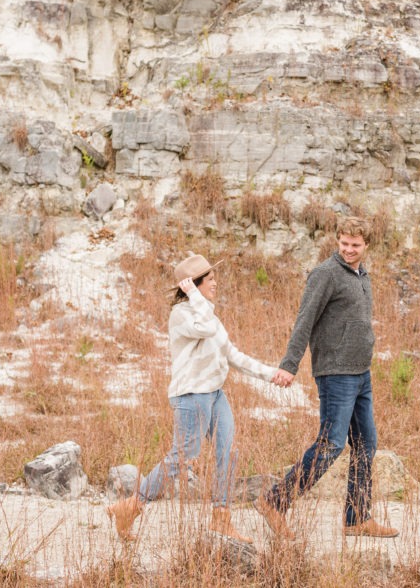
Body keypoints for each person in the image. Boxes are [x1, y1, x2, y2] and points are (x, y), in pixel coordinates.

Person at [107, 253, 278, 544]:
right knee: (182, 457)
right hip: (191, 396)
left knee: (229, 451)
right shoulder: (183, 314)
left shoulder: (207, 313)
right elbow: (205, 328)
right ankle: (130, 507)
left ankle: (221, 518)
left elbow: (232, 354)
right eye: (210, 279)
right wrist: (193, 296)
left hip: (214, 394)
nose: (215, 283)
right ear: (192, 285)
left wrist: (270, 374)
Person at [255, 216, 398, 539]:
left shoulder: (363, 276)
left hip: (361, 373)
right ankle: (275, 502)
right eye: (344, 244)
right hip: (335, 374)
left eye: (355, 245)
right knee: (331, 443)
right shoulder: (325, 274)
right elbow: (304, 320)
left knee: (366, 444)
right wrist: (289, 364)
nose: (349, 250)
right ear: (338, 241)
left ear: (367, 246)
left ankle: (357, 517)